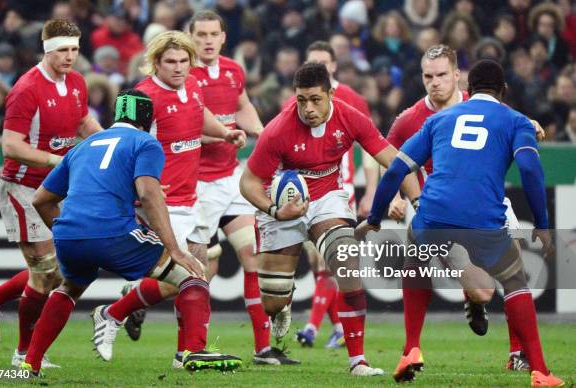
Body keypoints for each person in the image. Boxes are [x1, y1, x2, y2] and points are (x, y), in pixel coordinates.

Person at [361, 59, 564, 388]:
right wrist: (542, 223)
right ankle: (539, 371)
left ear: (466, 85)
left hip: (433, 214)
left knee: (418, 255)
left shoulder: (438, 120)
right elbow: (529, 170)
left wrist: (374, 217)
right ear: (504, 91)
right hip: (483, 217)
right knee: (513, 280)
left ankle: (410, 348)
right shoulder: (515, 120)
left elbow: (397, 169)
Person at [19, 89, 241, 375]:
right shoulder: (145, 142)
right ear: (148, 119)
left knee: (69, 288)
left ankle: (29, 363)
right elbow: (149, 195)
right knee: (194, 274)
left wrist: (67, 232)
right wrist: (174, 248)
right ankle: (194, 351)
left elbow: (41, 199)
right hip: (114, 233)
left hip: (68, 234)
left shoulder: (83, 146)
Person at [239, 62, 421, 377]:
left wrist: (419, 202)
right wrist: (275, 211)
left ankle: (357, 362)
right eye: (301, 100)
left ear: (330, 94)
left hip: (327, 199)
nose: (308, 108)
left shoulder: (350, 118)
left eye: (315, 99)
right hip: (283, 204)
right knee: (271, 303)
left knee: (349, 268)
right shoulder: (278, 130)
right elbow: (249, 184)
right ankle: (283, 303)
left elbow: (395, 162)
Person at [91, 31, 246, 369]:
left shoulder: (192, 86)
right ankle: (121, 317)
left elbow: (199, 115)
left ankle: (181, 351)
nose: (178, 68)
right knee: (189, 275)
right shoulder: (143, 99)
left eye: (183, 61)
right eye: (170, 62)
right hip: (162, 203)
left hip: (192, 198)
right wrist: (138, 190)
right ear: (155, 63)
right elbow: (122, 147)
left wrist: (224, 132)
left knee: (196, 275)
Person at [0, 19, 102, 368]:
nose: (70, 57)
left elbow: (82, 121)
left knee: (59, 272)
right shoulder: (26, 88)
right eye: (63, 50)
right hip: (23, 188)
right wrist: (58, 160)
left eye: (74, 49)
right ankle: (23, 354)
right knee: (46, 272)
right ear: (47, 50)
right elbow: (11, 146)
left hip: (56, 189)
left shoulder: (75, 82)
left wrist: (105, 144)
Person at [186, 10, 298, 365]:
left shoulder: (234, 70)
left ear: (222, 37)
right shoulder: (184, 75)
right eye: (200, 34)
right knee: (199, 269)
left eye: (212, 34)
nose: (206, 40)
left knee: (253, 256)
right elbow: (181, 129)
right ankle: (186, 343)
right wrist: (223, 133)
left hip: (229, 178)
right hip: (195, 183)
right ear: (191, 38)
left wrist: (264, 135)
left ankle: (263, 349)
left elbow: (243, 106)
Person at [281, 41, 379, 349]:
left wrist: (372, 191)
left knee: (331, 264)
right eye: (313, 63)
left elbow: (371, 147)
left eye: (323, 63)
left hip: (340, 190)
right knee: (319, 265)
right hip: (305, 194)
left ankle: (312, 326)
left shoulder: (352, 100)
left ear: (334, 66)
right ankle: (337, 325)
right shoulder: (295, 102)